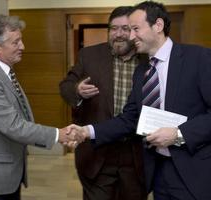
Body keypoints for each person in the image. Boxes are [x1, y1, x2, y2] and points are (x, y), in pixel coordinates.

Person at [67, 1, 211, 200]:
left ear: (157, 26)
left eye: (135, 29)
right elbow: (130, 119)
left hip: (199, 172)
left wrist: (179, 134)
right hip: (159, 172)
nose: (130, 37)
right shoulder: (142, 71)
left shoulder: (199, 58)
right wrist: (87, 131)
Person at [0, 15, 81, 200]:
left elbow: (22, 118)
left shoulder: (4, 71)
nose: (23, 47)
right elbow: (13, 126)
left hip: (8, 172)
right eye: (16, 42)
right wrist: (59, 135)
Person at [59, 6, 148, 200]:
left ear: (135, 31)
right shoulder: (89, 55)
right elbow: (65, 86)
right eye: (113, 28)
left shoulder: (148, 59)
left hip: (135, 154)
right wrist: (77, 90)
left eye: (125, 29)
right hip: (97, 152)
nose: (119, 34)